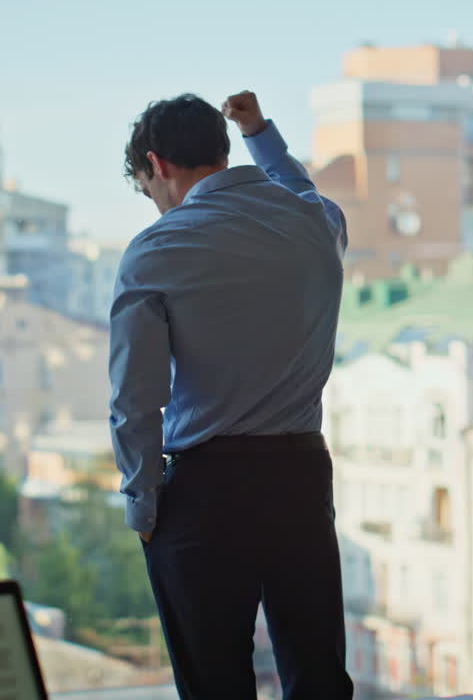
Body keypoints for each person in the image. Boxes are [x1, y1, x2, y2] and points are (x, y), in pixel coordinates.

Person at [108, 91, 354, 699]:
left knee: (215, 685)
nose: (155, 205)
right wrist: (260, 132)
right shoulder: (318, 223)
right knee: (317, 676)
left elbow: (136, 397)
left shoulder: (158, 248)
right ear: (219, 150)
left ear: (157, 165)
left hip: (205, 491)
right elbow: (293, 184)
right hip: (300, 476)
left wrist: (143, 504)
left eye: (147, 189)